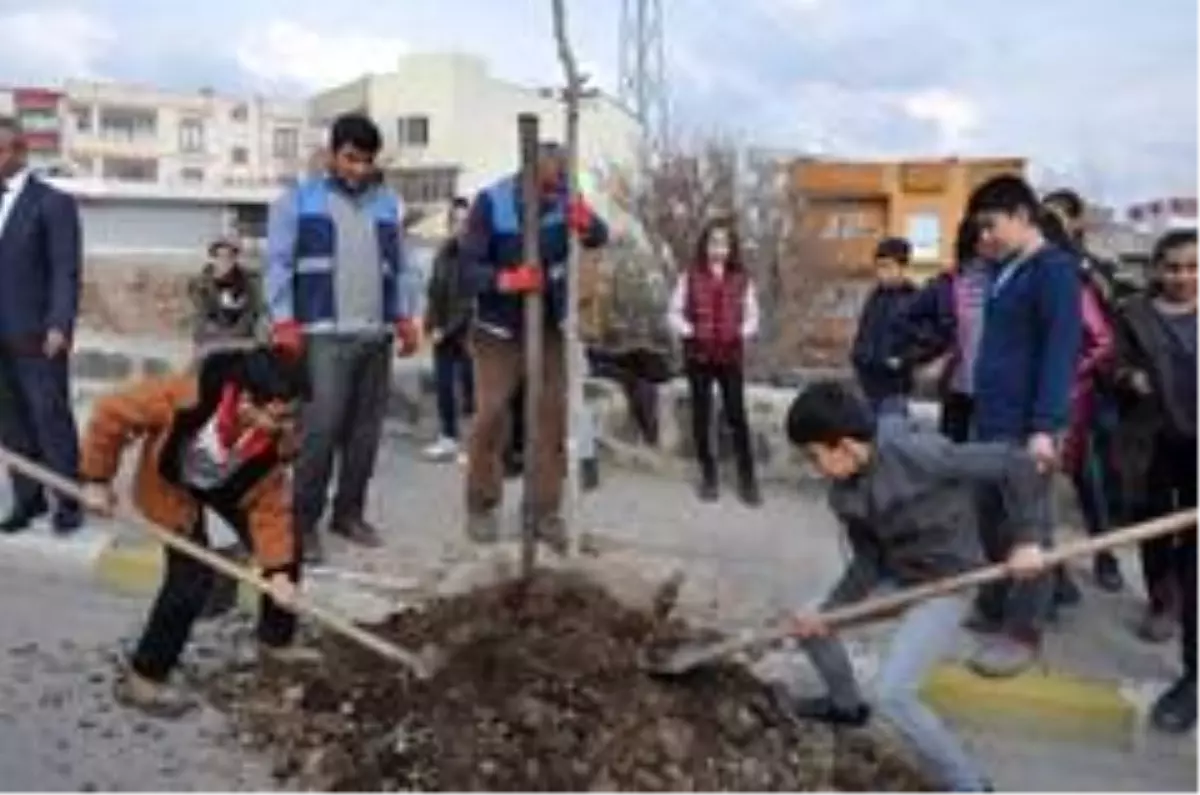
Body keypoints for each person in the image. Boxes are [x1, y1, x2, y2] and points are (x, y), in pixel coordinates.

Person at [782, 381, 1045, 795]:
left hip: (949, 583)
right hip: (899, 576)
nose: (815, 468)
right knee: (809, 620)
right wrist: (830, 610)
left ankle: (970, 786)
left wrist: (1027, 539)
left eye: (815, 456)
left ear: (845, 446)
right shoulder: (844, 494)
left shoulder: (919, 453)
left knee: (894, 694)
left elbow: (1015, 464)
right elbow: (867, 562)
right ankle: (846, 706)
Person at [77, 347, 312, 717]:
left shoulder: (274, 442)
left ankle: (275, 640)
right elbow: (111, 412)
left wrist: (278, 571)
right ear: (248, 401)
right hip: (171, 486)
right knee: (191, 581)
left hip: (230, 485)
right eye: (281, 415)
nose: (289, 424)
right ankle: (145, 679)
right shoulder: (182, 398)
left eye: (294, 414)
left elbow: (270, 506)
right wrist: (96, 479)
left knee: (289, 552)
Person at [265, 113, 420, 564]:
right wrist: (283, 320)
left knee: (366, 434)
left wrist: (406, 317)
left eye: (366, 161)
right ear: (332, 154)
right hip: (322, 334)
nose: (358, 169)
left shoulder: (388, 203)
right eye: (350, 159)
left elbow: (402, 265)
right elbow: (278, 265)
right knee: (321, 430)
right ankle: (303, 523)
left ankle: (348, 514)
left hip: (375, 334)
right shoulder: (298, 202)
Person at [461, 142, 609, 549]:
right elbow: (468, 269)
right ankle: (482, 504)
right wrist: (507, 280)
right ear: (524, 179)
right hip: (498, 330)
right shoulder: (490, 204)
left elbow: (599, 235)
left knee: (551, 417)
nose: (552, 197)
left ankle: (544, 511)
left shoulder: (565, 197)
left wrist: (587, 223)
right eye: (544, 190)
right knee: (491, 413)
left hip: (548, 326)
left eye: (557, 189)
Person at [964, 174, 1082, 678]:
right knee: (989, 516)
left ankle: (1023, 631)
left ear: (1021, 215)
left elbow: (1060, 353)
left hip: (1026, 425)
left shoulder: (1053, 271)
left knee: (1028, 528)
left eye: (991, 225)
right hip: (991, 419)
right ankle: (997, 602)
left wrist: (1046, 426)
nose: (984, 237)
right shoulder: (1007, 269)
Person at [1110, 231, 1200, 736]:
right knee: (1152, 527)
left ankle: (1194, 664)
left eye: (1194, 267)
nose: (1183, 278)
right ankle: (1163, 599)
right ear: (1156, 270)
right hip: (1152, 440)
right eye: (1173, 267)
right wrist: (1128, 378)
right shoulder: (1134, 314)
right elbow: (1112, 364)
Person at [0, 116, 85, 535]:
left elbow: (65, 270)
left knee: (50, 416)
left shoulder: (52, 203)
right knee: (10, 420)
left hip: (37, 332)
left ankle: (68, 501)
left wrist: (60, 324)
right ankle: (27, 499)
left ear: (18, 152)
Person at [666, 216, 762, 506]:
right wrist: (690, 331)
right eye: (713, 242)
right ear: (705, 245)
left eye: (724, 242)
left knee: (737, 417)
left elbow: (753, 317)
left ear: (732, 247)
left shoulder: (743, 279)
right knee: (701, 415)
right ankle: (709, 476)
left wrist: (739, 333)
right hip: (699, 356)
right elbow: (673, 312)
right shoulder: (690, 276)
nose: (718, 248)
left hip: (730, 356)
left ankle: (748, 480)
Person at [894, 218, 993, 442]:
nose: (991, 242)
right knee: (951, 456)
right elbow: (905, 317)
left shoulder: (1005, 280)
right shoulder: (947, 283)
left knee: (987, 459)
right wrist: (936, 346)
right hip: (956, 386)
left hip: (995, 390)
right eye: (984, 237)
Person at [422, 197, 475, 462]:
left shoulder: (476, 254)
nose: (461, 226)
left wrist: (447, 329)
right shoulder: (442, 253)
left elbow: (469, 301)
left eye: (466, 221)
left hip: (467, 333)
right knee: (444, 386)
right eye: (456, 221)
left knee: (470, 390)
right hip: (442, 331)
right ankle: (448, 438)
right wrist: (430, 326)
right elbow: (433, 292)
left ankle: (472, 446)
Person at [850, 237, 917, 420]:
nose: (881, 272)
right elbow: (863, 332)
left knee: (890, 440)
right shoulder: (875, 298)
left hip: (895, 388)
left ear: (902, 267)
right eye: (878, 266)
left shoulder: (914, 299)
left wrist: (902, 360)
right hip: (867, 385)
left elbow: (923, 340)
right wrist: (858, 356)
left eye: (887, 266)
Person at [187, 237, 264, 349]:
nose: (225, 261)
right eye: (220, 256)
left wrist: (237, 333)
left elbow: (253, 312)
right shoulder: (200, 284)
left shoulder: (249, 281)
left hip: (241, 335)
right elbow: (201, 314)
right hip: (211, 336)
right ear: (213, 258)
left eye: (229, 256)